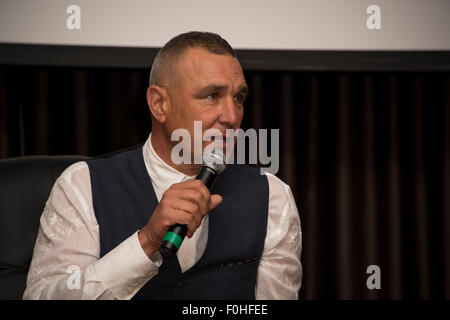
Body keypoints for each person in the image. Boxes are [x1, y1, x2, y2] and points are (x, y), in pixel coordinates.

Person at [23, 31, 302, 300]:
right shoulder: (82, 185)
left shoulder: (272, 196)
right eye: (211, 96)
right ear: (159, 104)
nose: (231, 116)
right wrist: (146, 241)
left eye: (238, 98)